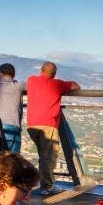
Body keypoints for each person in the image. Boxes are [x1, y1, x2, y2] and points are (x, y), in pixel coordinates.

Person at [26, 61, 81, 195]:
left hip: (32, 124)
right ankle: (47, 187)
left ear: (41, 70)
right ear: (55, 74)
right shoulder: (57, 84)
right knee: (48, 157)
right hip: (48, 124)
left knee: (42, 155)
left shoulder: (31, 80)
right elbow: (76, 86)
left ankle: (42, 182)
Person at [0, 63, 27, 152]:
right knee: (14, 159)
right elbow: (34, 87)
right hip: (13, 125)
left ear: (0, 73)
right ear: (13, 74)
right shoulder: (18, 86)